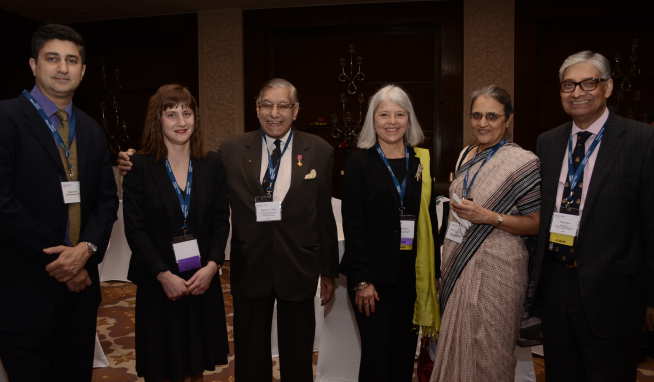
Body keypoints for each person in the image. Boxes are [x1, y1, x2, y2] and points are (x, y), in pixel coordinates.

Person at [118, 78, 339, 382]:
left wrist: (328, 271)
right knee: (249, 355)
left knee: (299, 355)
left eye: (283, 106)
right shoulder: (231, 151)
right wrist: (131, 157)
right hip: (251, 267)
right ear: (257, 109)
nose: (274, 113)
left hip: (298, 266)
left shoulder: (320, 151)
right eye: (266, 105)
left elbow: (324, 216)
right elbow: (213, 207)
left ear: (296, 110)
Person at [0, 24, 118, 381]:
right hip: (24, 287)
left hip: (80, 291)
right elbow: (3, 203)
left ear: (82, 70)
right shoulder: (5, 119)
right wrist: (61, 259)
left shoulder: (91, 129)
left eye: (72, 60)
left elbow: (107, 202)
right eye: (53, 59)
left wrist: (85, 251)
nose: (63, 68)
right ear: (34, 65)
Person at [534, 50, 654, 382]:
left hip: (615, 294)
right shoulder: (548, 142)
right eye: (568, 85)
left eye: (589, 82)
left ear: (608, 87)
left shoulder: (642, 141)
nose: (577, 92)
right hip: (557, 288)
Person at [430, 85, 540, 382]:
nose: (483, 123)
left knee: (492, 352)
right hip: (457, 261)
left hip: (500, 269)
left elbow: (535, 222)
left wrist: (490, 217)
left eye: (492, 116)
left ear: (508, 120)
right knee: (455, 346)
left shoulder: (523, 163)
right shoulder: (465, 155)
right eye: (477, 115)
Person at [122, 84, 229, 382]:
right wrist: (162, 274)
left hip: (200, 278)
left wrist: (213, 265)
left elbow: (222, 220)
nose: (181, 122)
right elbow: (135, 229)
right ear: (157, 120)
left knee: (197, 361)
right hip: (159, 283)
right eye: (171, 114)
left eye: (187, 113)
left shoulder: (211, 164)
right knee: (163, 364)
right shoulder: (138, 166)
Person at [340, 84, 439, 382]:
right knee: (375, 359)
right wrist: (361, 281)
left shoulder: (420, 160)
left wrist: (432, 273)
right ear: (373, 119)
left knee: (403, 355)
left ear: (409, 119)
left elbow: (429, 219)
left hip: (411, 277)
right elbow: (352, 223)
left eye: (399, 114)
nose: (392, 121)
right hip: (373, 282)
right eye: (384, 114)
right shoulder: (359, 161)